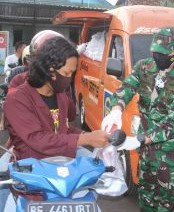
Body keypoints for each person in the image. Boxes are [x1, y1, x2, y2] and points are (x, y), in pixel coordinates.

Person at [0, 35, 109, 212]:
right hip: (32, 171)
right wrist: (85, 139)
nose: (69, 79)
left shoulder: (60, 95)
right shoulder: (17, 99)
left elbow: (61, 129)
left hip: (62, 165)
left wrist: (83, 135)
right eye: (66, 74)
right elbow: (37, 138)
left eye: (72, 74)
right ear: (50, 70)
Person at [102, 27, 174, 211]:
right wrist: (116, 109)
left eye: (164, 52)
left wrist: (137, 139)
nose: (158, 56)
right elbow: (127, 88)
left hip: (171, 158)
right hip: (147, 154)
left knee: (167, 205)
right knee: (146, 200)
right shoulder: (144, 67)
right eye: (156, 52)